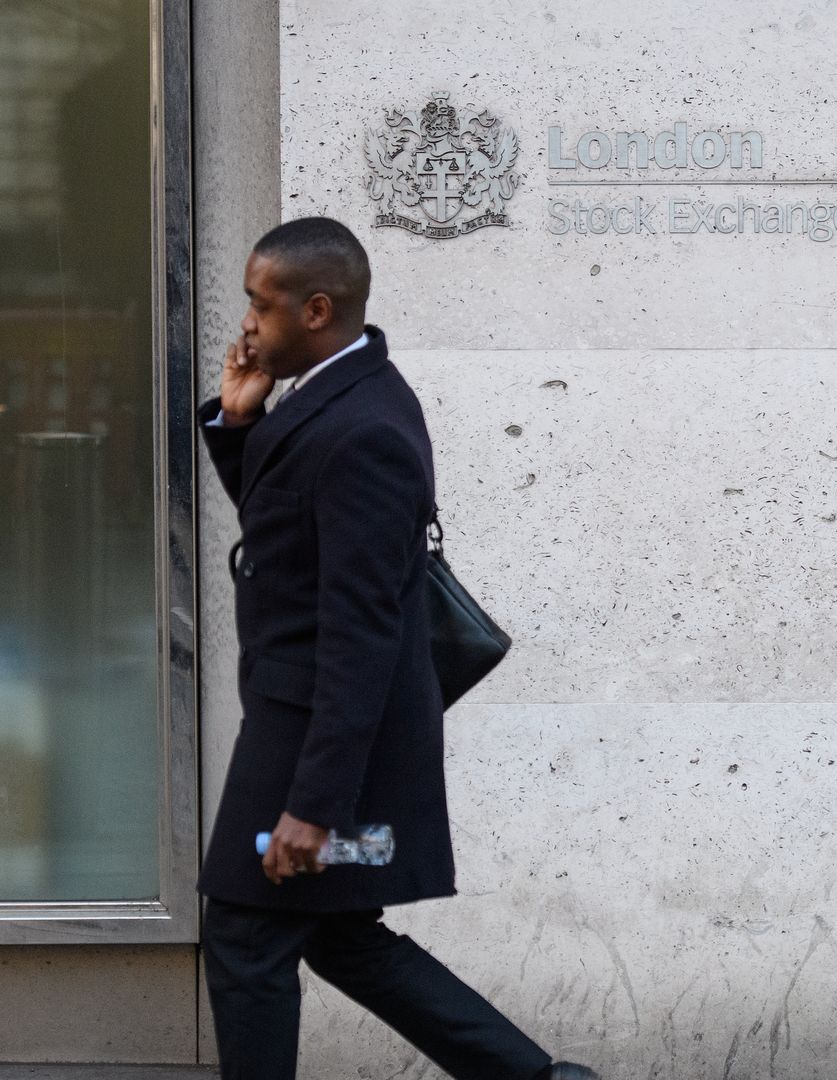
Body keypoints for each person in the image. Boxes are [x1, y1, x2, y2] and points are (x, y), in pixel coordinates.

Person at [196, 217, 599, 1080]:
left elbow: (363, 632)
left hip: (317, 752)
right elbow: (287, 537)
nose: (246, 325)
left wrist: (314, 808)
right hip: (311, 733)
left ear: (315, 309)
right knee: (341, 936)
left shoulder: (366, 428)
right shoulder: (333, 395)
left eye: (259, 306)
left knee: (246, 934)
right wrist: (238, 425)